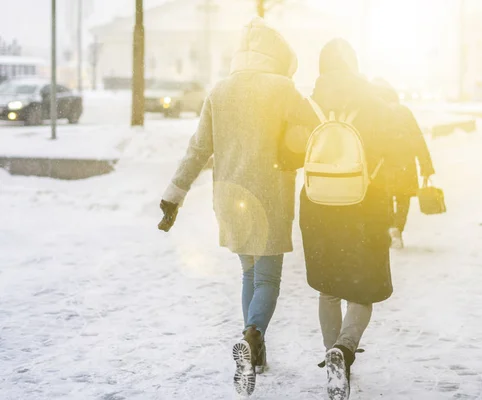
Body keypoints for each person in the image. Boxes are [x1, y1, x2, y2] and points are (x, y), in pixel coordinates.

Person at [158, 18, 314, 397]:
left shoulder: (220, 91)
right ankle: (253, 334)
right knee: (268, 280)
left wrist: (173, 195)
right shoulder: (284, 89)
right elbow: (316, 132)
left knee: (249, 276)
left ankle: (254, 354)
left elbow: (198, 150)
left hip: (229, 198)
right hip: (269, 195)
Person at [283, 38, 412, 400]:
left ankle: (331, 353)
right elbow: (397, 152)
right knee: (362, 287)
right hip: (365, 207)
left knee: (328, 288)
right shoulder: (375, 104)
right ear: (354, 65)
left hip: (319, 207)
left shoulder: (308, 106)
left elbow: (288, 153)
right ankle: (345, 348)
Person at [371, 78, 435, 249]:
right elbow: (417, 138)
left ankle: (390, 227)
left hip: (383, 164)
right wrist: (426, 165)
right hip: (405, 163)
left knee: (385, 198)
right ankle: (397, 229)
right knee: (402, 198)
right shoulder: (403, 111)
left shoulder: (375, 113)